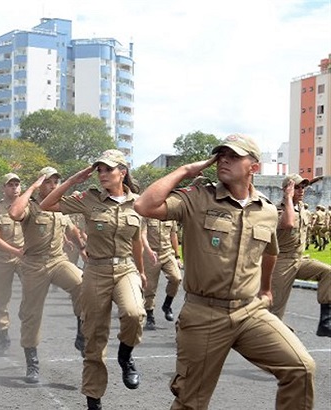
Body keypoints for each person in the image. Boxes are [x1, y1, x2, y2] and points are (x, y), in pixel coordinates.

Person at [134, 134, 316, 410]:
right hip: (204, 314)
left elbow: (270, 250)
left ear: (253, 167)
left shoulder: (265, 209)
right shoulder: (197, 199)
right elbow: (144, 206)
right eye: (221, 155)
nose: (224, 160)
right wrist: (185, 170)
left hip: (249, 312)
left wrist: (266, 289)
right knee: (191, 401)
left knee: (301, 368)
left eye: (233, 156)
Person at [40, 150, 147, 410]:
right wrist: (75, 179)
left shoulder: (139, 203)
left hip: (125, 269)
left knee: (134, 314)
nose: (101, 174)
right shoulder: (88, 199)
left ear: (122, 172)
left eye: (107, 169)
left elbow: (136, 242)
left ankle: (125, 356)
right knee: (94, 340)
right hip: (95, 271)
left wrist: (141, 272)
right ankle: (93, 400)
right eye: (99, 170)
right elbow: (47, 204)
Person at [8, 166, 84, 384]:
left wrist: (82, 248)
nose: (53, 185)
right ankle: (32, 361)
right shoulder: (31, 206)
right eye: (48, 182)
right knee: (31, 314)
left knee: (82, 283)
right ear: (41, 184)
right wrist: (32, 186)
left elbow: (71, 230)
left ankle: (81, 332)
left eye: (56, 181)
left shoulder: (61, 206)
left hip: (58, 260)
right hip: (34, 265)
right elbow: (14, 213)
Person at [270, 174, 330, 337]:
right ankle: (271, 331)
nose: (301, 190)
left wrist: (313, 180)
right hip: (281, 261)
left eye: (303, 187)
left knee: (327, 272)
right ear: (286, 190)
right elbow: (288, 223)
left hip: (299, 259)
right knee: (275, 307)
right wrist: (289, 197)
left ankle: (326, 321)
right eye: (297, 187)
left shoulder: (302, 208)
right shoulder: (276, 210)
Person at [0, 173, 24, 354]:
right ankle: (3, 335)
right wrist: (15, 251)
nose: (14, 188)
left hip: (25, 258)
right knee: (0, 297)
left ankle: (28, 326)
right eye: (10, 185)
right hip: (2, 258)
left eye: (17, 184)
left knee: (34, 292)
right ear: (4, 188)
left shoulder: (29, 206)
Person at [141, 217, 182, 330]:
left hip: (167, 253)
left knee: (176, 278)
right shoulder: (147, 216)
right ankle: (150, 316)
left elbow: (173, 235)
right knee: (150, 287)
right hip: (152, 253)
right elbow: (143, 235)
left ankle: (167, 305)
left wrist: (177, 256)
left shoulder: (170, 216)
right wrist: (148, 250)